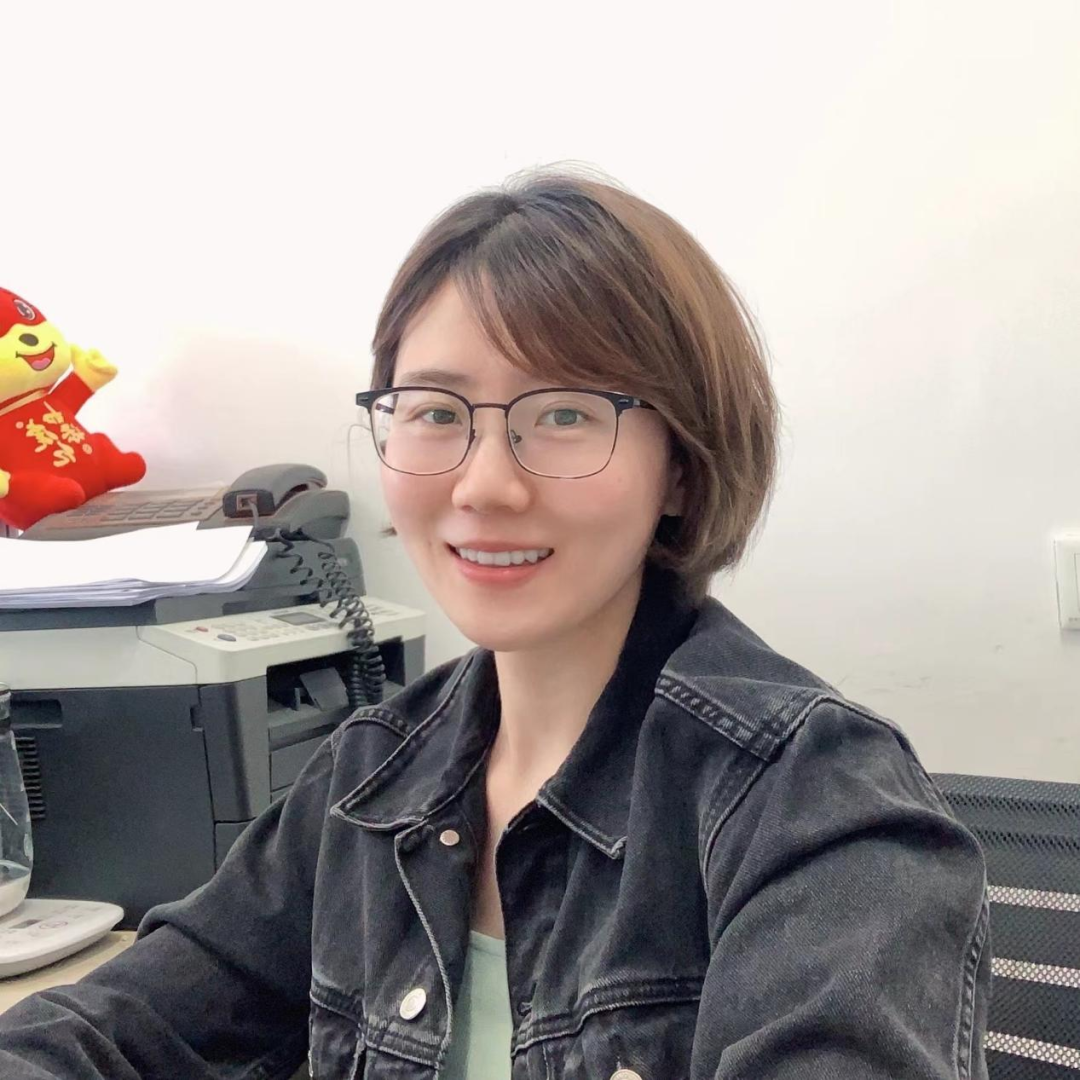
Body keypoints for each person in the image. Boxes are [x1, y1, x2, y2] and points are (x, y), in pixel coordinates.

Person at [0, 168, 991, 1079]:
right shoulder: (372, 776)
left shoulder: (815, 797)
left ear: (682, 469)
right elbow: (111, 1029)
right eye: (436, 411)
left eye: (563, 414)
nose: (484, 485)